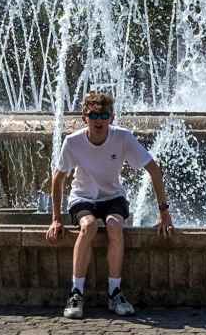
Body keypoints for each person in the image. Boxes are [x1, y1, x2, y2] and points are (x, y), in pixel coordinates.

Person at [45, 91, 175, 319]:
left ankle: (115, 293)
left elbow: (153, 169)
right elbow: (58, 179)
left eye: (104, 115)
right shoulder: (73, 142)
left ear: (112, 117)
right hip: (83, 197)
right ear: (84, 117)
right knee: (88, 226)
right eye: (94, 115)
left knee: (115, 225)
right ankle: (76, 294)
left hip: (113, 197)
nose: (99, 121)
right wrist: (56, 219)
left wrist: (164, 211)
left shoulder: (123, 138)